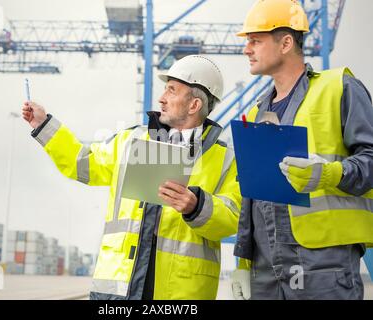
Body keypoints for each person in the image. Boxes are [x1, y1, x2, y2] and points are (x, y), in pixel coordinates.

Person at [21, 55, 242, 300]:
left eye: (171, 90)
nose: (161, 98)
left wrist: (196, 206)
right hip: (118, 290)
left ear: (194, 105)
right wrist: (44, 125)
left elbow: (233, 218)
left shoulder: (225, 159)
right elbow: (82, 164)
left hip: (180, 295)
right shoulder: (130, 141)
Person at [230, 0, 373, 300]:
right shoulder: (261, 110)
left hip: (324, 263)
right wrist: (243, 260)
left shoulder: (339, 88)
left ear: (285, 43)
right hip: (266, 267)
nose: (246, 49)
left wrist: (330, 174)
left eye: (255, 40)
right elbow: (253, 196)